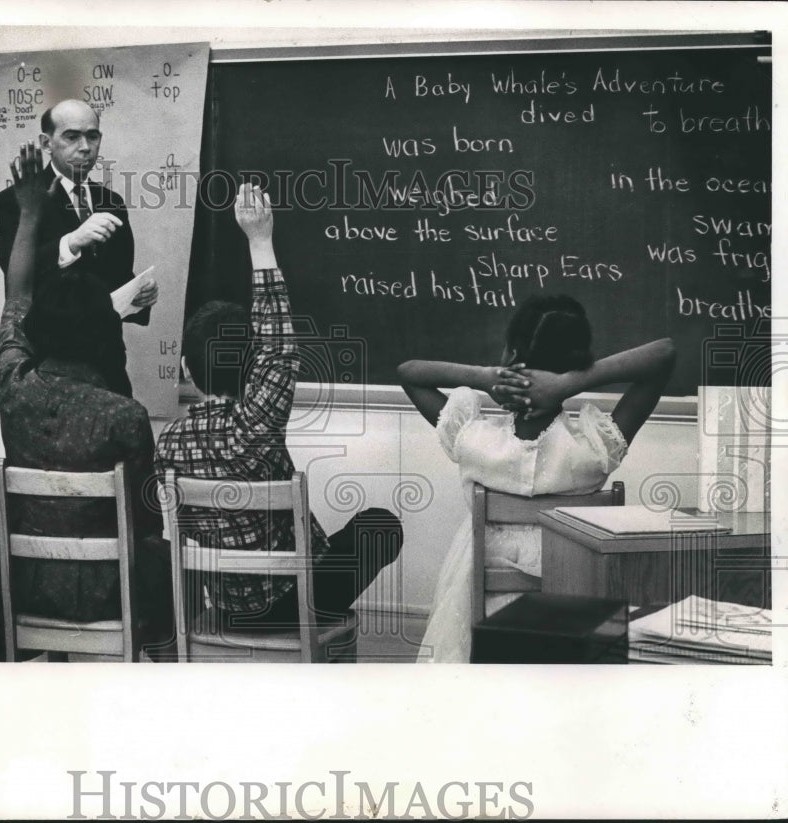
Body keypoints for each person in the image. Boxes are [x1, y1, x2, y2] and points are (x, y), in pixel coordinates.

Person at [155, 183, 405, 632]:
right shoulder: (255, 426)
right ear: (253, 371)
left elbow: (275, 354)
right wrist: (260, 240)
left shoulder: (167, 444)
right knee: (380, 525)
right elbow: (279, 350)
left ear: (187, 370)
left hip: (227, 610)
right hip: (293, 605)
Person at [0, 142, 174, 662]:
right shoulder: (125, 414)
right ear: (105, 333)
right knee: (164, 555)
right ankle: (176, 672)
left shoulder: (13, 386)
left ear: (36, 332)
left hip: (24, 585)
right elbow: (146, 521)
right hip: (107, 589)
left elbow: (16, 295)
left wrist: (31, 212)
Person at [399, 294, 676, 663]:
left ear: (509, 355)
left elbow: (409, 372)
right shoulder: (595, 451)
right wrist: (570, 383)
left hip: (480, 619)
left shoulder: (473, 440)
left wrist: (483, 377)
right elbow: (665, 354)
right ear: (579, 362)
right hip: (574, 615)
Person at [0, 99, 158, 397]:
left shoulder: (112, 201)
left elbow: (117, 277)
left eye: (92, 136)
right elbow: (15, 278)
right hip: (46, 369)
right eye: (72, 136)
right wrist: (70, 243)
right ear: (47, 142)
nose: (85, 147)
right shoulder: (16, 199)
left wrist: (139, 297)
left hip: (108, 366)